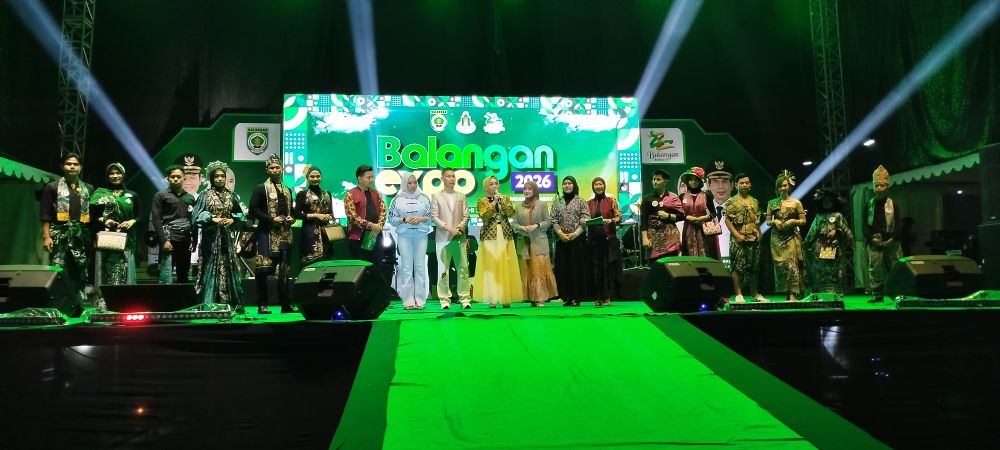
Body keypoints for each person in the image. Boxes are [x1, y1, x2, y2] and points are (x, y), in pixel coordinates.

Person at [193, 161, 247, 311]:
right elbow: (196, 216)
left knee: (228, 267)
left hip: (226, 239)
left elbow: (241, 216)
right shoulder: (205, 195)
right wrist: (212, 218)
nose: (220, 179)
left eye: (222, 176)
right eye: (216, 176)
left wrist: (232, 220)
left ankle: (229, 302)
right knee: (210, 267)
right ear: (212, 178)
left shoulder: (232, 195)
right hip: (210, 240)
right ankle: (211, 302)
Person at [40, 153, 93, 306]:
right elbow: (45, 214)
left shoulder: (88, 188)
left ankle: (79, 303)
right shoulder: (52, 187)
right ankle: (59, 303)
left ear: (80, 167)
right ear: (62, 167)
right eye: (69, 164)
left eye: (75, 164)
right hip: (59, 233)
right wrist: (46, 236)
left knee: (80, 269)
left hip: (81, 234)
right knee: (59, 269)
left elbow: (94, 216)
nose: (72, 167)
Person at [249, 154, 295, 314]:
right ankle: (262, 304)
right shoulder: (260, 188)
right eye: (271, 168)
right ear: (267, 170)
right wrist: (271, 219)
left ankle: (286, 304)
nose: (275, 170)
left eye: (277, 167)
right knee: (263, 270)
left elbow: (291, 210)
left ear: (282, 169)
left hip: (285, 234)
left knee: (284, 271)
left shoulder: (288, 190)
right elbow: (253, 210)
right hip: (266, 234)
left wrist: (292, 218)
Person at [473, 175, 523, 308]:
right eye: (491, 184)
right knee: (491, 266)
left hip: (505, 234)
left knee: (505, 264)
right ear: (486, 187)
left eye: (496, 183)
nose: (495, 186)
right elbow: (484, 215)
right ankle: (492, 298)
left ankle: (506, 297)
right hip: (489, 235)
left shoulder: (505, 198)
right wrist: (494, 203)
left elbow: (511, 213)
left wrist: (502, 202)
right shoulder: (481, 201)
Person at [90, 162, 140, 286]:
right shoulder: (99, 193)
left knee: (125, 268)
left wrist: (132, 221)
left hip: (126, 239)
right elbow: (92, 215)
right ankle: (103, 296)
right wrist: (104, 220)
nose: (115, 176)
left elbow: (139, 215)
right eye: (112, 173)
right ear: (107, 176)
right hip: (106, 239)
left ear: (123, 175)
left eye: (118, 173)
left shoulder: (132, 195)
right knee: (105, 269)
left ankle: (125, 296)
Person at [387, 171, 432, 310]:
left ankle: (420, 300)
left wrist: (421, 218)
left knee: (420, 266)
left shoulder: (424, 198)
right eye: (409, 183)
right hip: (404, 236)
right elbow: (391, 219)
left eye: (415, 182)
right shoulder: (397, 199)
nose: (412, 185)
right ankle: (407, 301)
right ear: (404, 184)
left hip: (421, 235)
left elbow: (431, 217)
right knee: (406, 267)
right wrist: (404, 219)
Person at [431, 168, 471, 309]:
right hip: (443, 237)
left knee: (463, 268)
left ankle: (464, 298)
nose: (452, 178)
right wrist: (449, 229)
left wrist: (458, 229)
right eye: (448, 176)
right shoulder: (436, 196)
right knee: (443, 270)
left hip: (459, 237)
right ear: (442, 179)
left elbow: (466, 216)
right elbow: (434, 217)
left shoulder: (461, 196)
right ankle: (444, 299)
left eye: (453, 176)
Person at [513, 180, 558, 306]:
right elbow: (514, 224)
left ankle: (541, 298)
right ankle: (530, 298)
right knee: (526, 270)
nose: (526, 191)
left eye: (529, 189)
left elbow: (548, 221)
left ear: (535, 191)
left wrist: (536, 225)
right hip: (524, 242)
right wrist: (521, 228)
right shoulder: (518, 206)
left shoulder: (542, 204)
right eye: (525, 188)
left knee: (540, 270)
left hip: (539, 241)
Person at [723, 173, 767, 303]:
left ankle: (755, 294)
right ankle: (739, 294)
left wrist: (760, 233)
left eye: (746, 182)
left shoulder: (755, 201)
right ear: (736, 185)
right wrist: (736, 235)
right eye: (741, 183)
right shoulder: (731, 201)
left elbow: (756, 220)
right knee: (737, 266)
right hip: (738, 239)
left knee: (754, 267)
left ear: (750, 184)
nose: (744, 185)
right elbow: (727, 220)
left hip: (753, 238)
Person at [863, 165, 903, 303]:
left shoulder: (893, 205)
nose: (879, 188)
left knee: (895, 266)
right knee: (875, 268)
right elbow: (864, 225)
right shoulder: (869, 205)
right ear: (873, 187)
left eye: (882, 185)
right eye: (877, 185)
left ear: (887, 186)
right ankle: (877, 294)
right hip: (875, 240)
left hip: (891, 240)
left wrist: (893, 239)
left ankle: (897, 293)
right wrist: (871, 238)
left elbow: (899, 224)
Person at [152, 165, 196, 284]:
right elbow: (156, 219)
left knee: (183, 273)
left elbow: (194, 221)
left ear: (184, 178)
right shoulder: (160, 195)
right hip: (169, 240)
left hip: (185, 240)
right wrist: (163, 240)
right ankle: (165, 297)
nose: (175, 179)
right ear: (168, 179)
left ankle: (183, 296)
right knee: (166, 273)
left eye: (178, 177)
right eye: (173, 177)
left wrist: (194, 240)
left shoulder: (190, 197)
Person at [766, 170, 806, 301]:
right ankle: (786, 293)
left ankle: (793, 294)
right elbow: (767, 222)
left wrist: (793, 221)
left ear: (789, 186)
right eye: (780, 186)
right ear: (777, 188)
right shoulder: (772, 203)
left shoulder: (796, 202)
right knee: (781, 266)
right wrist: (774, 222)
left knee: (792, 264)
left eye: (785, 185)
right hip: (777, 238)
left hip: (791, 237)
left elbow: (803, 221)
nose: (783, 188)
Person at [804, 188, 853, 296]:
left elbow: (846, 231)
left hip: (835, 247)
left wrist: (838, 231)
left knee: (835, 270)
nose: (827, 203)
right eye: (824, 201)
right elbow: (812, 232)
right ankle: (822, 292)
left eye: (829, 200)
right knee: (821, 270)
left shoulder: (838, 216)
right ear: (821, 202)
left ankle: (837, 292)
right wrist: (805, 244)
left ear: (834, 201)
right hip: (821, 247)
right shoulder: (818, 217)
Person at [551, 176, 590, 306]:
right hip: (562, 240)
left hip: (577, 241)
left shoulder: (581, 201)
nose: (567, 185)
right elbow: (553, 220)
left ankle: (577, 297)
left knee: (576, 268)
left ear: (574, 185)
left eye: (569, 183)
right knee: (564, 269)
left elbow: (585, 220)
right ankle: (567, 297)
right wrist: (560, 233)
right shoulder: (557, 201)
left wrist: (575, 234)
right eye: (565, 183)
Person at [586, 177, 622, 306]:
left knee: (607, 268)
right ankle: (597, 297)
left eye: (600, 184)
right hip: (593, 241)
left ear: (604, 186)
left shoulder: (611, 201)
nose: (598, 186)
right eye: (596, 184)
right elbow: (584, 219)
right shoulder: (588, 203)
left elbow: (619, 217)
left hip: (608, 240)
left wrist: (610, 221)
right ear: (593, 187)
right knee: (595, 268)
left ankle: (607, 296)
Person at [344, 165, 386, 263]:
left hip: (375, 233)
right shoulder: (351, 194)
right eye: (368, 177)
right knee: (361, 264)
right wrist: (369, 225)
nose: (371, 180)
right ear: (360, 179)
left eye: (372, 177)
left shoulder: (376, 193)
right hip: (358, 235)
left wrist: (379, 225)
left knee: (377, 263)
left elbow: (383, 210)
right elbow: (351, 216)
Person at [640, 169, 684, 265]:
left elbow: (681, 216)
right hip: (654, 240)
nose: (655, 182)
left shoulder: (673, 197)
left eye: (658, 179)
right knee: (655, 267)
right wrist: (645, 238)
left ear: (665, 181)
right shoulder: (647, 199)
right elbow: (643, 220)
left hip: (671, 240)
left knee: (672, 267)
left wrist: (668, 216)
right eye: (654, 179)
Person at [294, 165, 335, 267]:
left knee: (326, 262)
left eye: (318, 176)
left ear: (321, 177)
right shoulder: (302, 194)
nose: (315, 179)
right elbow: (297, 214)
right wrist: (316, 215)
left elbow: (331, 213)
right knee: (310, 263)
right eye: (312, 176)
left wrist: (328, 216)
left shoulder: (327, 193)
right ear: (307, 178)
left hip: (326, 232)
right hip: (309, 232)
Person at [706, 160, 735, 261]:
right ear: (708, 185)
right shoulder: (703, 208)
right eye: (715, 181)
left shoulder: (740, 207)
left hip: (735, 259)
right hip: (711, 259)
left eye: (725, 181)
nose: (721, 186)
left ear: (732, 185)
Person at [679, 167, 712, 257]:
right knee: (688, 251)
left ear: (700, 181)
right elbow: (679, 214)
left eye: (696, 179)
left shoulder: (707, 195)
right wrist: (687, 217)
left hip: (704, 228)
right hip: (688, 227)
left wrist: (704, 217)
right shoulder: (682, 196)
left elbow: (713, 213)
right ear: (688, 181)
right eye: (691, 179)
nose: (693, 182)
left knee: (705, 251)